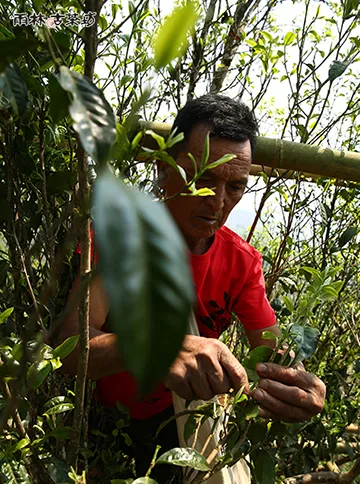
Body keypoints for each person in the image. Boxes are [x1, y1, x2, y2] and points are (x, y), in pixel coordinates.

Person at [58, 94, 326, 482]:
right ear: (164, 166)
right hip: (103, 428)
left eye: (235, 187)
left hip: (185, 431)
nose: (217, 202)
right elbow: (69, 348)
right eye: (202, 176)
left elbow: (273, 352)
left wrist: (298, 386)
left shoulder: (241, 262)